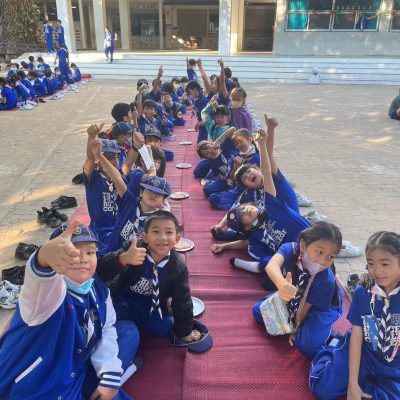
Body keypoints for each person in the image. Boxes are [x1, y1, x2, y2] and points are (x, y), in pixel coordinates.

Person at [0, 221, 140, 399]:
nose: (82, 258)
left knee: (128, 332)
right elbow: (40, 277)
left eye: (90, 252)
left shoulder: (96, 286)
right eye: (71, 253)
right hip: (41, 388)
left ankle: (110, 381)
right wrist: (44, 255)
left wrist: (110, 374)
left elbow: (107, 327)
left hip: (76, 370)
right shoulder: (45, 297)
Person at [310, 231, 400, 400]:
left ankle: (366, 383)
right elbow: (357, 336)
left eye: (385, 264)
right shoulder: (363, 292)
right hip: (362, 352)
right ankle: (332, 346)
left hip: (392, 363)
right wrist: (352, 383)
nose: (377, 271)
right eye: (371, 263)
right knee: (324, 389)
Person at [97, 211, 205, 345]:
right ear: (145, 237)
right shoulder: (133, 250)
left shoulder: (178, 267)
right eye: (156, 231)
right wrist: (122, 259)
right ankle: (128, 325)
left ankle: (133, 323)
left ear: (177, 239)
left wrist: (185, 331)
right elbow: (101, 270)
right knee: (110, 323)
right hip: (121, 300)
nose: (162, 237)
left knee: (164, 328)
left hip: (149, 305)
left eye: (169, 232)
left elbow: (182, 300)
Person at [211, 127, 310, 270]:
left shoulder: (269, 201)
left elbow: (267, 168)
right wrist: (224, 239)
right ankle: (237, 233)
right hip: (296, 253)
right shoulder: (255, 206)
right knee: (267, 258)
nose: (248, 176)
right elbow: (246, 236)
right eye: (245, 179)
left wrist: (265, 138)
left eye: (249, 172)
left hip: (307, 236)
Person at [252, 222, 343, 359]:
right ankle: (308, 330)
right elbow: (272, 266)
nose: (324, 261)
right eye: (320, 252)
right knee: (258, 312)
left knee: (307, 346)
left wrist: (294, 329)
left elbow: (304, 309)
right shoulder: (291, 249)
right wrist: (281, 284)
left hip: (320, 306)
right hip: (296, 295)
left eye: (331, 256)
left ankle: (332, 337)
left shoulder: (325, 280)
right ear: (303, 245)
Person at [90, 138, 169, 254]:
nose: (153, 195)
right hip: (108, 255)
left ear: (163, 200)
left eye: (158, 194)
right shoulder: (130, 203)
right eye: (149, 191)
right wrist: (99, 156)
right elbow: (117, 177)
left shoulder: (156, 222)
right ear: (141, 192)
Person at [208, 128, 260, 210]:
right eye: (236, 144)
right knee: (213, 197)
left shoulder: (257, 158)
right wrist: (236, 166)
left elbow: (258, 183)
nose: (239, 145)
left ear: (250, 139)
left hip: (249, 191)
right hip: (236, 189)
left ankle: (242, 205)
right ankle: (240, 204)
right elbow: (232, 178)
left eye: (240, 141)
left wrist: (217, 142)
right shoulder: (237, 156)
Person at [196, 127, 237, 199]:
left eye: (208, 147)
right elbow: (217, 174)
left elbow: (233, 129)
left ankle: (230, 192)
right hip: (227, 180)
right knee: (207, 190)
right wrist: (223, 178)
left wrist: (218, 142)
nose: (209, 151)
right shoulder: (212, 161)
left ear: (212, 142)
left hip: (238, 176)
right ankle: (226, 191)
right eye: (206, 154)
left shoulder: (224, 145)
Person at [185, 80, 209, 144]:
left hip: (206, 128)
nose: (189, 95)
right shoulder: (197, 100)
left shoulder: (203, 101)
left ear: (196, 90)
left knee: (202, 145)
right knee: (199, 143)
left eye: (190, 92)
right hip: (202, 127)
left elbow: (209, 118)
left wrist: (199, 123)